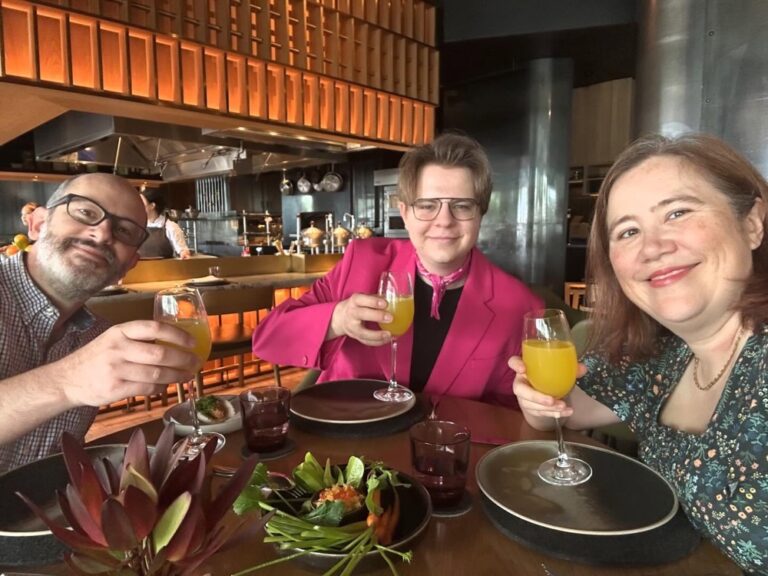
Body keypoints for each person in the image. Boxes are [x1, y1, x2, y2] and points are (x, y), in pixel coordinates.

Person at [510, 133, 768, 574]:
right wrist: (535, 396)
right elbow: (564, 410)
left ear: (752, 223)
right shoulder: (667, 362)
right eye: (628, 231)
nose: (652, 247)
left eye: (678, 212)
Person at [252, 133, 541, 406]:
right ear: (404, 213)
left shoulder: (519, 305)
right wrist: (337, 319)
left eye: (462, 206)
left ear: (481, 213)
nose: (444, 221)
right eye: (427, 206)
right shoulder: (361, 263)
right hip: (346, 442)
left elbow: (512, 414)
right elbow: (267, 340)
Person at [0, 173, 200, 473]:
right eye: (86, 212)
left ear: (129, 265)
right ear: (38, 224)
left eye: (124, 230)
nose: (104, 233)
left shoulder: (96, 336)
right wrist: (67, 381)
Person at [138, 187, 191, 259]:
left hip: (165, 269)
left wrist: (184, 254)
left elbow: (183, 251)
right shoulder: (138, 226)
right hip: (140, 269)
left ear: (152, 206)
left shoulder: (171, 227)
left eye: (141, 203)